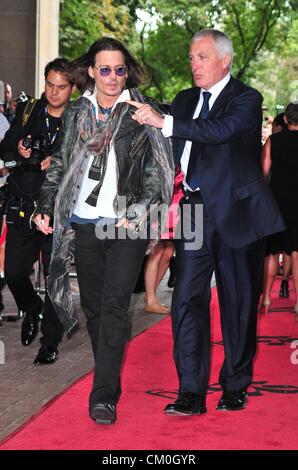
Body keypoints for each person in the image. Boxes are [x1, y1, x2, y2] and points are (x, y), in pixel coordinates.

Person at [128, 28, 285, 416]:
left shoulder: (246, 99)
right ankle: (191, 391)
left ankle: (235, 384)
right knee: (186, 300)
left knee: (238, 302)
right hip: (193, 212)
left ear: (225, 60)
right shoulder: (183, 99)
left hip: (236, 213)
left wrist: (165, 123)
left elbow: (220, 131)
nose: (193, 64)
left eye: (201, 57)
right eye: (191, 57)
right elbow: (164, 138)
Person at [33, 37, 174, 425]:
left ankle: (103, 394)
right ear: (92, 72)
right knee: (95, 310)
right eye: (105, 69)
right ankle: (109, 374)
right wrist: (46, 206)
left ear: (126, 72)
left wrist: (142, 209)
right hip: (84, 223)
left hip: (126, 222)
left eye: (120, 69)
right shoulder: (78, 112)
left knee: (114, 307)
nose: (113, 77)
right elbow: (61, 165)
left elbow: (156, 171)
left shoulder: (139, 113)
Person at [0, 58, 75, 364]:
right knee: (16, 272)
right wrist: (18, 148)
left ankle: (50, 341)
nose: (54, 92)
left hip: (58, 204)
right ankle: (31, 306)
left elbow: (89, 161)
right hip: (24, 201)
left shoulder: (78, 117)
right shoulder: (29, 110)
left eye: (61, 87)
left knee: (55, 274)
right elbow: (3, 149)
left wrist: (59, 162)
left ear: (72, 88)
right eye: (50, 85)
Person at [260, 103, 298, 315]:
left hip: (276, 201)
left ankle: (266, 298)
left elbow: (264, 172)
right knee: (297, 251)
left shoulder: (273, 141)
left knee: (272, 252)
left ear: (285, 120)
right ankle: (297, 302)